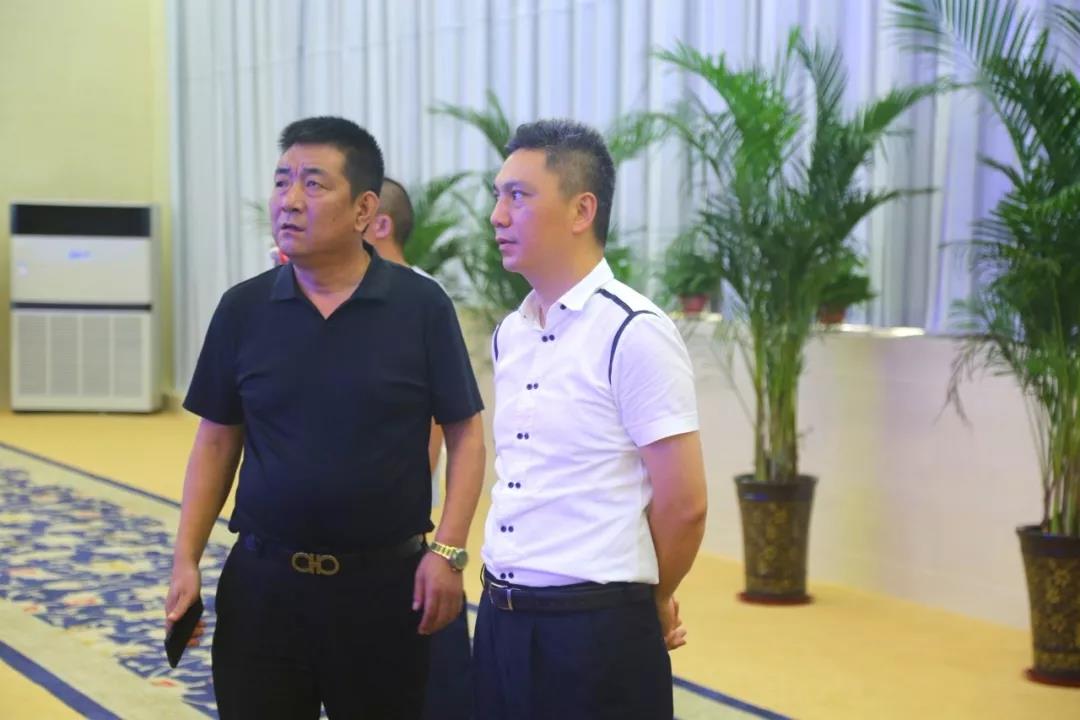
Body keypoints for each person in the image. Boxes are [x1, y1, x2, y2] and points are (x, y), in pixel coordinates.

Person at [165, 116, 485, 720]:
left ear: (364, 209)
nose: (288, 200)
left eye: (313, 184)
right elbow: (216, 443)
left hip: (384, 589)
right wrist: (186, 557)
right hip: (263, 584)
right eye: (281, 181)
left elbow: (467, 435)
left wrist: (448, 551)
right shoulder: (243, 308)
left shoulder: (420, 307)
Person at [473, 119, 708, 720]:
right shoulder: (511, 332)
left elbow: (685, 504)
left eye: (518, 196)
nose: (497, 216)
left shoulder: (634, 331)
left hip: (595, 633)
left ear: (582, 210)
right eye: (498, 196)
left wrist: (650, 598)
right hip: (500, 618)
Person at [363, 176, 474, 720]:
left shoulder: (419, 298)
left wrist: (416, 516)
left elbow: (437, 423)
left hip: (404, 526)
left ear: (379, 223)